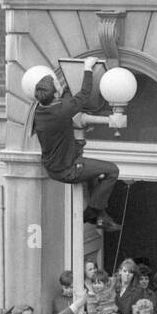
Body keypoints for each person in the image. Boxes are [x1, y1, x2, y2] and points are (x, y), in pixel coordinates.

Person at [29, 58, 120, 229]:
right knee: (112, 170)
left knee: (93, 173)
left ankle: (100, 215)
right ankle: (93, 211)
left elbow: (64, 102)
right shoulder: (62, 111)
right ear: (56, 94)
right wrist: (87, 68)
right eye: (58, 84)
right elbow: (84, 95)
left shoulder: (39, 110)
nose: (59, 84)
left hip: (55, 166)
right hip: (68, 169)